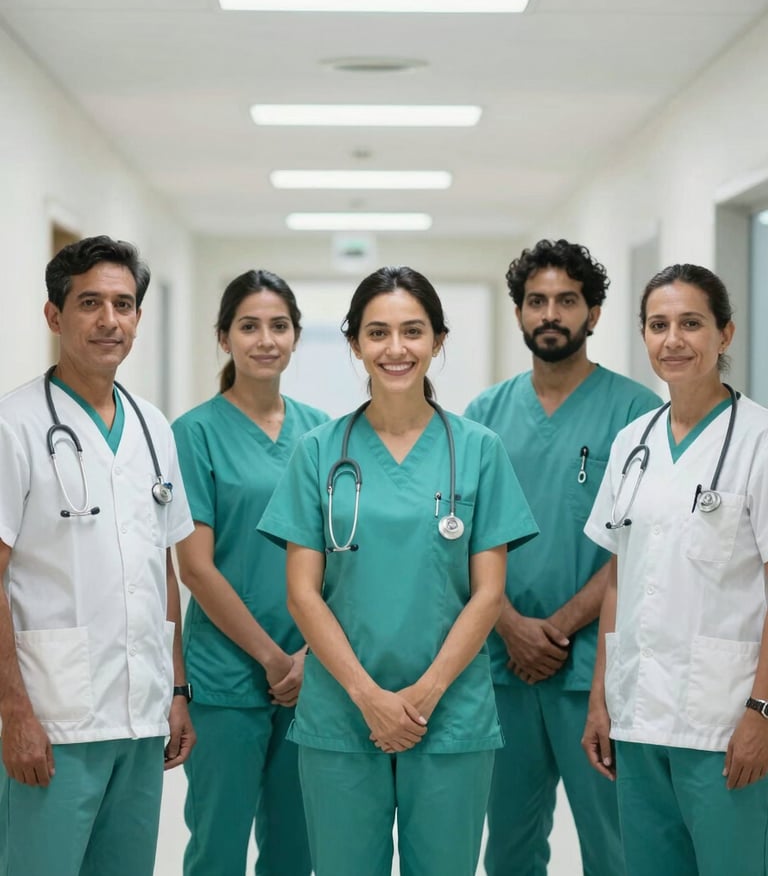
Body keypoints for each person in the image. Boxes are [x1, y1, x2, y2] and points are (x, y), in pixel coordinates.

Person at [256, 265, 538, 876]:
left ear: (438, 340)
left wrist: (423, 696)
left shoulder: (479, 450)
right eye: (378, 333)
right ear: (355, 343)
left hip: (451, 713)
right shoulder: (320, 452)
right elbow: (303, 594)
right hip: (340, 711)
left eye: (413, 331)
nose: (396, 349)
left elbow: (489, 595)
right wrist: (368, 698)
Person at [465, 238, 661, 876]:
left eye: (567, 301)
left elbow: (641, 545)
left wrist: (557, 627)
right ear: (519, 312)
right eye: (537, 301)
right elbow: (458, 539)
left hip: (595, 670)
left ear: (594, 313)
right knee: (510, 846)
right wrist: (510, 625)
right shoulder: (482, 418)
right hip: (501, 664)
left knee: (615, 843)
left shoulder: (637, 415)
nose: (551, 314)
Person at [0, 235, 195, 876]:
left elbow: (160, 565)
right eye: (90, 303)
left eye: (123, 303)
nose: (109, 320)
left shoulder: (153, 427)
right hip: (53, 720)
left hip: (139, 716)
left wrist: (175, 688)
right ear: (55, 316)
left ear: (139, 317)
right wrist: (14, 712)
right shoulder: (15, 425)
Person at [583, 263, 768, 876]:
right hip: (638, 714)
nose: (673, 340)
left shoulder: (760, 441)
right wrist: (600, 701)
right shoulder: (633, 443)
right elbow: (619, 576)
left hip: (724, 722)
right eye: (658, 325)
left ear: (726, 334)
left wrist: (762, 711)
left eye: (691, 323)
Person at [172, 270, 328, 876]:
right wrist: (272, 659)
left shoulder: (323, 431)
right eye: (249, 326)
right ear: (224, 337)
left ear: (295, 337)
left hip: (313, 669)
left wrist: (309, 656)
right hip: (227, 678)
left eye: (279, 326)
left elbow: (340, 555)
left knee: (297, 847)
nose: (265, 339)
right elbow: (196, 568)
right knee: (218, 844)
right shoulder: (195, 433)